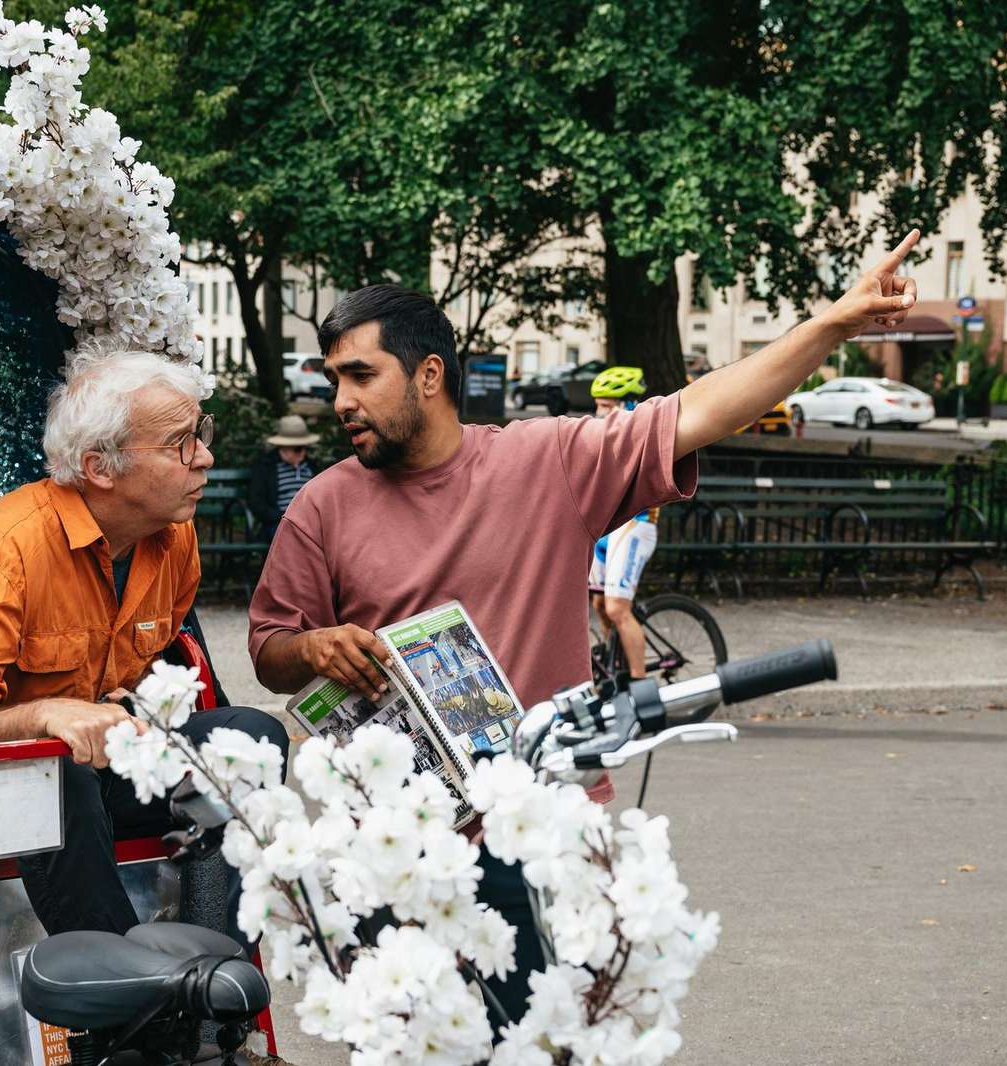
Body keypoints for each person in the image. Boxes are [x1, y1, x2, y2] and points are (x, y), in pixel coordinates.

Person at [247, 231, 920, 1020]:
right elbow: (270, 652)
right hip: (399, 849)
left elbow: (703, 408)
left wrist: (833, 324)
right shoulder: (325, 503)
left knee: (558, 1038)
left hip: (547, 826)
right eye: (335, 380)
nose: (342, 402)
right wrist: (315, 645)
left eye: (361, 375)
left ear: (430, 375)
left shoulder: (548, 462)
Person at [0, 350, 288, 940]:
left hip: (85, 773)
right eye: (181, 441)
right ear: (101, 466)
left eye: (201, 433)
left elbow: (150, 672)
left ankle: (216, 976)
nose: (204, 456)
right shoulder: (2, 548)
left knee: (251, 739)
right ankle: (129, 1008)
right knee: (51, 764)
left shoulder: (173, 539)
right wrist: (47, 715)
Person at [586, 365, 659, 683]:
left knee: (617, 608)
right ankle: (615, 664)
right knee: (599, 603)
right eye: (597, 405)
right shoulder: (600, 434)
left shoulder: (641, 434)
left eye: (605, 406)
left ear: (627, 404)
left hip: (635, 526)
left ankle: (640, 686)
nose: (597, 413)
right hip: (607, 528)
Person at [247, 413, 321, 543]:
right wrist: (283, 517)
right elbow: (256, 502)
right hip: (279, 523)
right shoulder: (266, 466)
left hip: (310, 523)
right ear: (284, 447)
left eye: (305, 447)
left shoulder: (311, 466)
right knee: (288, 536)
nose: (303, 453)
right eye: (298, 449)